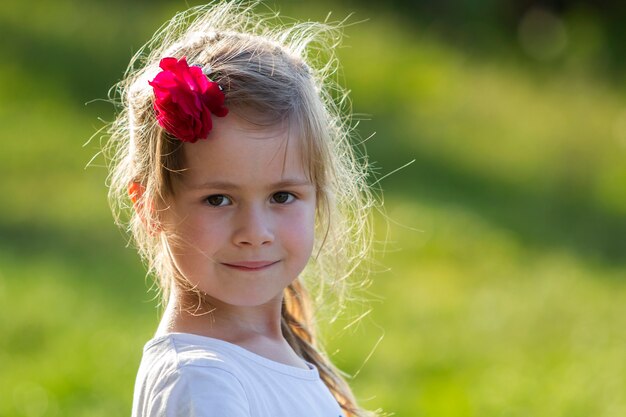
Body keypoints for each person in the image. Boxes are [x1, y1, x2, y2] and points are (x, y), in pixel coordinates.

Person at [105, 2, 377, 416]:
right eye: (218, 199)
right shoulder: (202, 383)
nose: (255, 231)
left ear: (317, 196)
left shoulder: (270, 353)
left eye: (282, 196)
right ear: (151, 207)